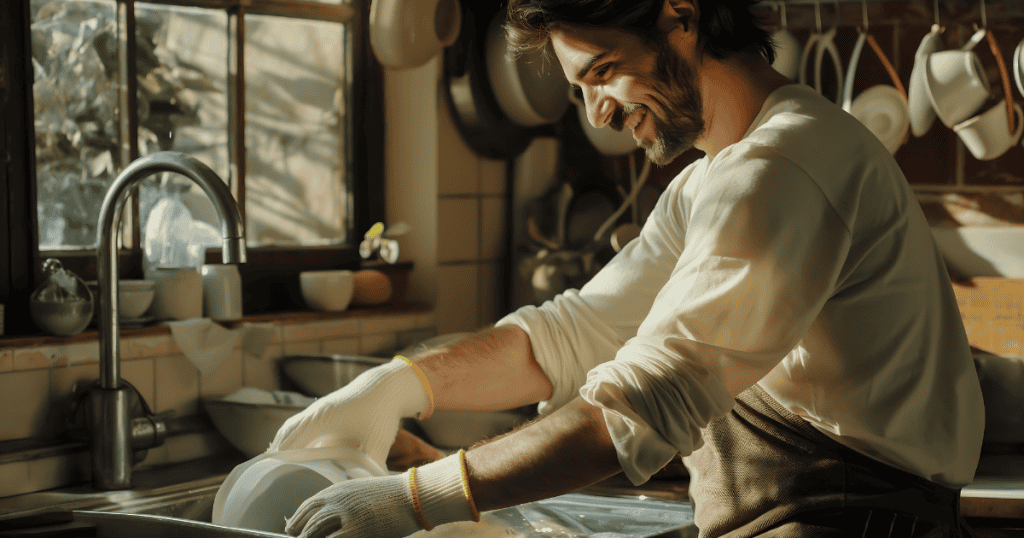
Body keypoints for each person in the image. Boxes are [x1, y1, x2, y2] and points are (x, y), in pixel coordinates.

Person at [269, 0, 985, 536]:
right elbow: (575, 332)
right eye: (581, 88)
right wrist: (399, 383)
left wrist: (416, 499)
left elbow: (636, 410)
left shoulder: (782, 169)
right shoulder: (712, 179)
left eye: (603, 73)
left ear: (680, 14)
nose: (599, 115)